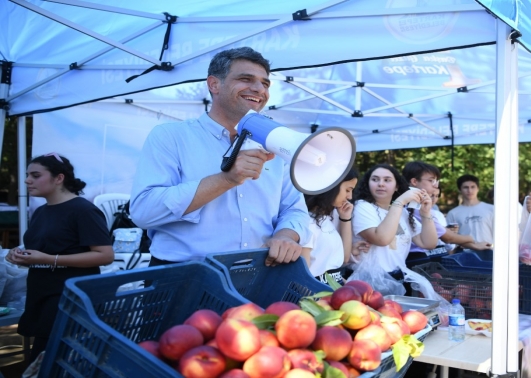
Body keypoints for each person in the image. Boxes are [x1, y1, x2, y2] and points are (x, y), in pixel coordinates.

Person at [130, 47, 310, 267]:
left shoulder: (274, 143)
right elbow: (143, 212)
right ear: (214, 84)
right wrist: (226, 180)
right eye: (246, 79)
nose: (259, 89)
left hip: (257, 275)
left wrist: (286, 235)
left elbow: (294, 208)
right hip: (182, 278)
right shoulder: (170, 136)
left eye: (265, 83)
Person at [4, 153, 113, 362]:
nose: (27, 180)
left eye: (35, 175)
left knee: (49, 361)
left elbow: (105, 255)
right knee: (43, 360)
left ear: (59, 178)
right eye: (28, 175)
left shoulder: (84, 210)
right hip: (40, 293)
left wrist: (49, 259)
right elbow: (41, 251)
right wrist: (17, 254)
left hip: (68, 295)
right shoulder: (41, 212)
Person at [352, 164, 438, 275]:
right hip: (368, 280)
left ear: (396, 186)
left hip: (397, 278)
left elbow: (428, 243)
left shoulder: (401, 211)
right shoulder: (362, 206)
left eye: (387, 180)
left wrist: (426, 212)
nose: (381, 184)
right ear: (368, 184)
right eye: (375, 179)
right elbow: (382, 239)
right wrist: (400, 202)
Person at [401, 162, 489, 263]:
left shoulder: (417, 207)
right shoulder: (412, 208)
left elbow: (443, 237)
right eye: (431, 180)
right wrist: (471, 238)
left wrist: (472, 244)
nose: (436, 185)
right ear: (414, 181)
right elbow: (447, 237)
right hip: (415, 262)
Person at [300, 168, 369, 283]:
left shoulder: (326, 218)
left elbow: (344, 258)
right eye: (347, 190)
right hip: (317, 296)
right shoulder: (307, 222)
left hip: (333, 291)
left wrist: (345, 218)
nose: (350, 197)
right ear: (332, 186)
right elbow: (303, 277)